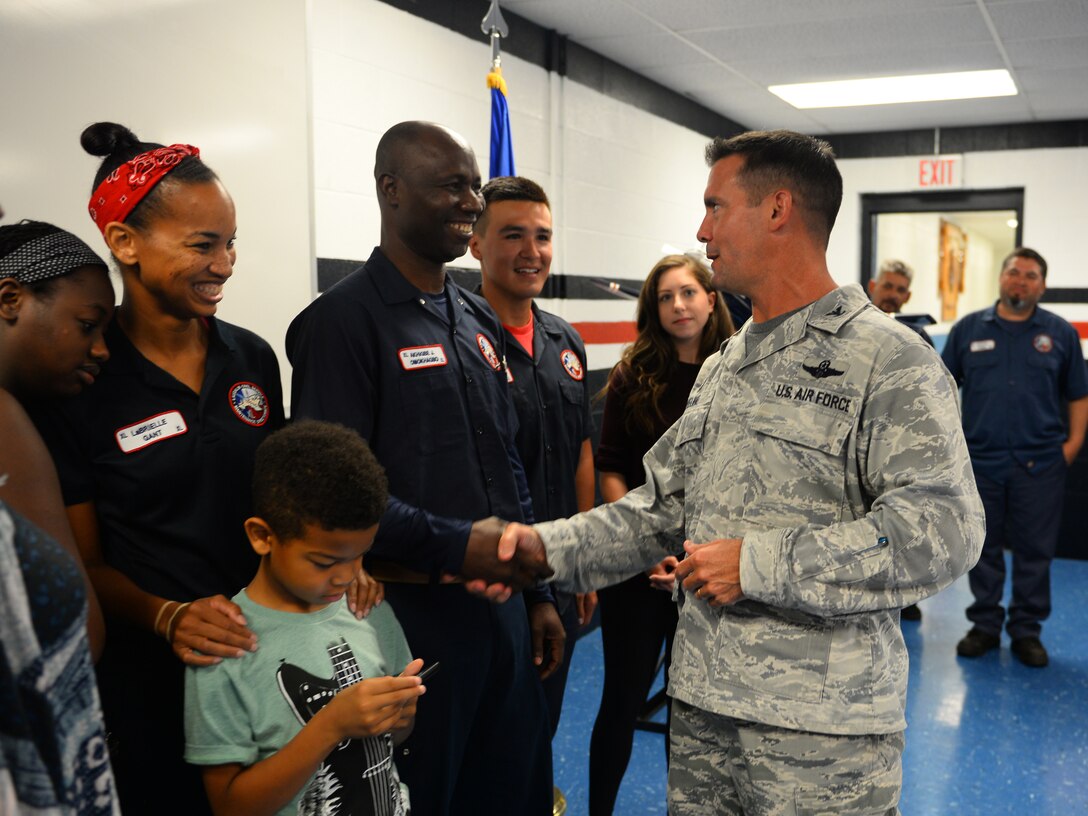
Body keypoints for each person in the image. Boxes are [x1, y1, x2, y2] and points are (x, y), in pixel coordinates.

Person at [489, 130, 985, 815]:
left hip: (821, 737)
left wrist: (757, 564)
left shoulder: (889, 361)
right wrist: (542, 549)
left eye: (716, 206)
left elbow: (943, 530)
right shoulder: (726, 366)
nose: (702, 229)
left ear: (777, 209)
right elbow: (660, 509)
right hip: (703, 718)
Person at [286, 121, 556, 816]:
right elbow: (330, 492)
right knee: (424, 799)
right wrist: (457, 543)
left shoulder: (474, 317)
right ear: (392, 191)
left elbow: (507, 465)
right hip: (406, 619)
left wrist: (538, 599)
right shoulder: (341, 324)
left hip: (501, 615)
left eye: (473, 185)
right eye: (452, 186)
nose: (471, 201)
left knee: (512, 790)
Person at [32, 122, 287, 815]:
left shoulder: (253, 359)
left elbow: (282, 503)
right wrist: (168, 616)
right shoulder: (84, 380)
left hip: (263, 662)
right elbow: (82, 563)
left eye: (231, 242)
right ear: (125, 243)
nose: (226, 263)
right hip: (151, 686)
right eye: (203, 244)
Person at [185, 421, 425, 816]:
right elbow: (230, 806)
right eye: (324, 561)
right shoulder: (222, 643)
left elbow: (395, 738)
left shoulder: (368, 608)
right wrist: (330, 726)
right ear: (263, 536)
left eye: (359, 556)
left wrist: (400, 718)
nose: (347, 576)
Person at [588, 253, 733, 815]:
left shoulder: (736, 374)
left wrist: (699, 558)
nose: (678, 306)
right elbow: (612, 468)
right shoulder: (633, 373)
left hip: (708, 570)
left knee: (691, 710)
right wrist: (644, 548)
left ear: (711, 299)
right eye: (665, 297)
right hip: (639, 570)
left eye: (688, 293)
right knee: (621, 701)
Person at [469, 175, 595, 740]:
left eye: (542, 237)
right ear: (475, 244)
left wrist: (585, 553)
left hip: (560, 564)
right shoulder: (459, 339)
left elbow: (580, 451)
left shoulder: (565, 340)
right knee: (493, 734)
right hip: (492, 577)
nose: (531, 252)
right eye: (513, 235)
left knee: (544, 718)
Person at [0, 220, 119, 813]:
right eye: (88, 325)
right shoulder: (6, 422)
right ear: (11, 299)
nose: (100, 349)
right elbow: (77, 630)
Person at [942, 247, 1088, 668]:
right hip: (981, 463)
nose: (1020, 281)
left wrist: (1073, 445)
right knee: (981, 548)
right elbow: (941, 388)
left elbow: (1078, 394)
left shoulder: (1060, 334)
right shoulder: (969, 329)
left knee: (1035, 552)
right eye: (1013, 272)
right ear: (1001, 278)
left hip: (1040, 465)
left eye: (1030, 275)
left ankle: (1027, 631)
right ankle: (985, 625)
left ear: (1042, 285)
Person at [867, 258, 930, 620]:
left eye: (900, 290)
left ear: (908, 296)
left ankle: (905, 595)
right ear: (873, 286)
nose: (892, 295)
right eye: (888, 286)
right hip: (863, 446)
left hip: (900, 450)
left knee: (902, 519)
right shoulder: (852, 330)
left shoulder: (917, 339)